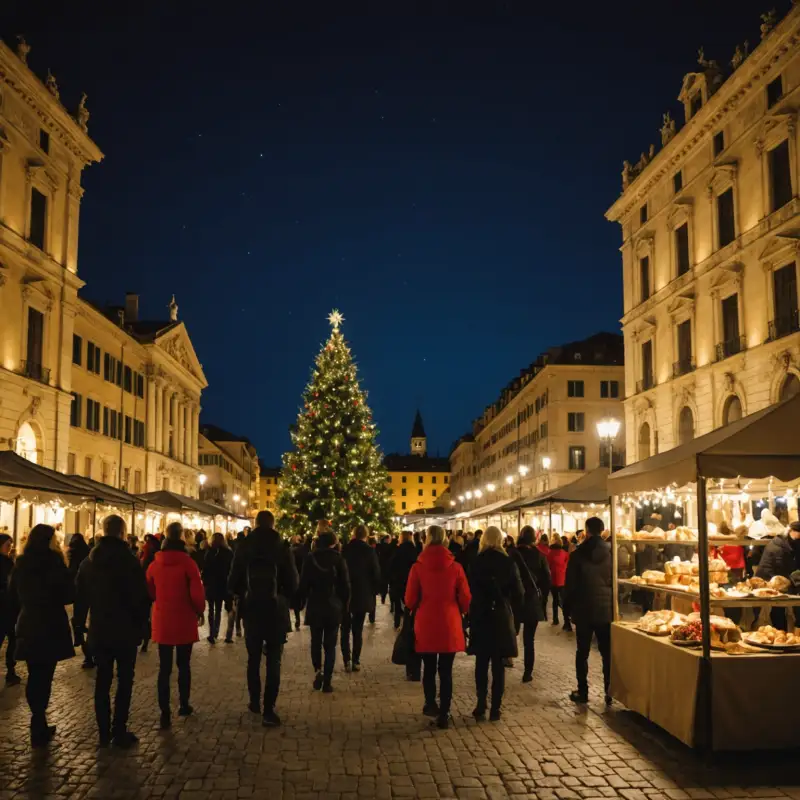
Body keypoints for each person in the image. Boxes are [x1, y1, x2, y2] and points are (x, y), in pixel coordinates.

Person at [73, 515, 150, 748]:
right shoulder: (129, 561)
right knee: (125, 681)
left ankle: (103, 731)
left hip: (100, 629)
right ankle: (119, 729)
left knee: (102, 682)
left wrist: (79, 627)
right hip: (125, 630)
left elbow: (80, 599)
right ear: (122, 532)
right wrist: (142, 627)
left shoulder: (89, 562)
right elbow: (140, 598)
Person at [228, 511, 298, 726]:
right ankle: (269, 709)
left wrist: (241, 593)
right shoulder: (282, 547)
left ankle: (254, 702)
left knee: (253, 658)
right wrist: (285, 597)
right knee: (274, 661)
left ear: (256, 524)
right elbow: (293, 581)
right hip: (276, 609)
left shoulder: (244, 546)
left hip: (252, 609)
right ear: (273, 524)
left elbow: (232, 581)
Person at [10, 524, 74, 747]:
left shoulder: (21, 563)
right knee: (45, 674)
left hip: (29, 623)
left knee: (34, 673)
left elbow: (12, 594)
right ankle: (39, 719)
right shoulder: (54, 562)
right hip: (51, 624)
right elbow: (68, 594)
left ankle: (37, 718)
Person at [404, 525, 471, 730]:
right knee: (446, 671)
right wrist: (460, 609)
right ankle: (445, 712)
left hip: (426, 623)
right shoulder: (456, 567)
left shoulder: (418, 566)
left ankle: (430, 702)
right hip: (449, 623)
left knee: (429, 668)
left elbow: (410, 599)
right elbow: (466, 598)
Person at [146, 522, 206, 729]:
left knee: (164, 668)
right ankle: (183, 703)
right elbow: (196, 592)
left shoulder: (155, 564)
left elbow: (150, 589)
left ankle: (164, 710)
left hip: (163, 620)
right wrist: (199, 610)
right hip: (184, 619)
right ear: (181, 537)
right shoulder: (188, 563)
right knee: (184, 665)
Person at [468, 527, 523, 722]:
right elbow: (519, 592)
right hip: (500, 616)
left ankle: (481, 704)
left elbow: (469, 590)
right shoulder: (508, 562)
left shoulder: (476, 562)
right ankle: (496, 708)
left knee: (481, 663)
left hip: (481, 616)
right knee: (498, 665)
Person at [563, 516, 612, 705]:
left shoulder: (577, 554)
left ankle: (583, 691)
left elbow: (570, 585)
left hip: (583, 609)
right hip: (605, 609)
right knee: (606, 653)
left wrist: (566, 608)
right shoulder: (610, 553)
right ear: (602, 530)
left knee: (582, 652)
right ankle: (609, 690)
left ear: (586, 531)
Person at [297, 528, 350, 693]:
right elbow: (345, 586)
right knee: (330, 645)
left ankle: (317, 670)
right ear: (333, 543)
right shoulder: (338, 559)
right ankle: (327, 680)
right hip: (333, 606)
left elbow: (303, 584)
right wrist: (345, 606)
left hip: (315, 605)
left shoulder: (310, 559)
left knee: (315, 641)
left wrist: (300, 602)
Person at [510, 526, 550, 682]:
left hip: (515, 600)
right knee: (529, 640)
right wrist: (543, 597)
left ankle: (506, 658)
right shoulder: (540, 556)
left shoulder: (513, 554)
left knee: (511, 632)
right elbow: (547, 579)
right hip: (532, 600)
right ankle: (528, 672)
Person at [341, 524, 382, 672]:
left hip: (345, 594)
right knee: (357, 630)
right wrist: (375, 591)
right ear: (366, 535)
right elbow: (376, 573)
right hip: (363, 593)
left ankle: (346, 659)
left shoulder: (345, 549)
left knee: (345, 628)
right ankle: (356, 660)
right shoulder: (369, 551)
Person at [755, 521, 800, 631]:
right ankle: (780, 632)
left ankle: (783, 631)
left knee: (781, 608)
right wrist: (792, 582)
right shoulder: (779, 547)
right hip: (771, 579)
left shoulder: (786, 542)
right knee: (778, 607)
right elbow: (781, 570)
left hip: (775, 578)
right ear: (793, 531)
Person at [67, 533, 94, 669]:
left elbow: (71, 572)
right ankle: (89, 654)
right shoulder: (89, 554)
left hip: (79, 592)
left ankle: (84, 649)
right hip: (90, 591)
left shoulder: (71, 553)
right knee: (90, 621)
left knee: (78, 621)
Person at [202, 533, 234, 644]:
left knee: (211, 609)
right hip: (222, 585)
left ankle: (212, 633)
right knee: (218, 609)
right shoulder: (228, 553)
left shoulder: (210, 552)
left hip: (211, 585)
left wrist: (205, 583)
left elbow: (205, 569)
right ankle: (215, 632)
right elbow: (231, 570)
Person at [0, 534, 20, 686]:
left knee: (13, 639)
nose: (10, 547)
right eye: (8, 544)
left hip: (10, 608)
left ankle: (11, 670)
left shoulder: (10, 562)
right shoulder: (7, 563)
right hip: (6, 607)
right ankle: (11, 670)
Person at [389, 530, 418, 630]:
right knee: (408, 603)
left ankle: (397, 622)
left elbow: (392, 565)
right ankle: (409, 623)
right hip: (410, 580)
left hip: (399, 579)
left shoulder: (398, 550)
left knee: (398, 603)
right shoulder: (414, 550)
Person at [546, 537, 570, 629]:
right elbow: (567, 565)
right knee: (564, 601)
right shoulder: (565, 554)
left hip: (553, 580)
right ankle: (566, 621)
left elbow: (547, 566)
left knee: (555, 600)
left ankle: (555, 619)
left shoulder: (549, 554)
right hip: (563, 580)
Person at [290, 535, 309, 630]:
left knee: (296, 599)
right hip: (301, 574)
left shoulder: (291, 550)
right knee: (300, 598)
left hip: (295, 575)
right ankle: (298, 617)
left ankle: (297, 618)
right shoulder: (304, 550)